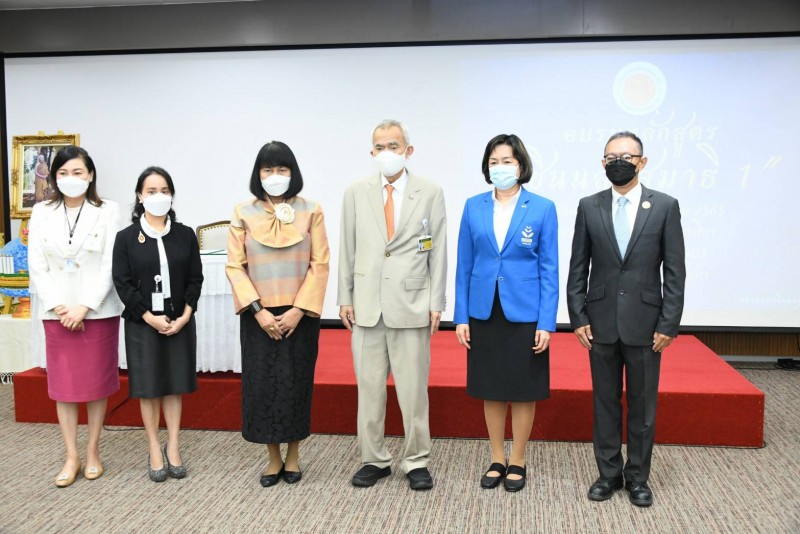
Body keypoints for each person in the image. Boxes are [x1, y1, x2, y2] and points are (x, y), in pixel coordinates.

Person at [566, 131, 686, 507]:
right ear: (603, 164)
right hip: (598, 322)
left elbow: (675, 271)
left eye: (626, 156)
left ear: (642, 162)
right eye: (610, 157)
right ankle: (608, 474)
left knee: (642, 405)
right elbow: (577, 267)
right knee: (604, 401)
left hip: (647, 325)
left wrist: (668, 323)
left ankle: (637, 477)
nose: (618, 162)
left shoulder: (664, 206)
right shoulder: (589, 206)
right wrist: (577, 314)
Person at [338, 119, 447, 490]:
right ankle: (374, 458)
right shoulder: (355, 192)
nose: (387, 153)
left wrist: (437, 301)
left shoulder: (430, 192)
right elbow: (347, 247)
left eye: (394, 146)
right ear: (372, 153)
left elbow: (438, 247)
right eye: (380, 147)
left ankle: (416, 460)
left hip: (412, 302)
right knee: (368, 390)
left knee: (413, 391)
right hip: (367, 304)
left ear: (408, 150)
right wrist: (344, 297)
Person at [453, 134, 558, 492]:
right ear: (487, 167)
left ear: (521, 165)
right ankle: (497, 456)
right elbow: (464, 264)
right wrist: (461, 316)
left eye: (508, 161)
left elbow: (550, 268)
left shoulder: (542, 207)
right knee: (492, 388)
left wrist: (546, 321)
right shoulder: (473, 206)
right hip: (484, 311)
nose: (501, 168)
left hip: (524, 311)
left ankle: (518, 458)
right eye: (494, 162)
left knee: (524, 389)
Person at [226, 141, 329, 487]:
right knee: (263, 386)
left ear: (293, 173)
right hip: (259, 317)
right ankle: (272, 457)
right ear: (258, 175)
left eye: (281, 169)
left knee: (296, 383)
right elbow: (235, 266)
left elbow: (320, 263)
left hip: (300, 315)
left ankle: (295, 455)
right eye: (267, 170)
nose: (274, 176)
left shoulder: (311, 209)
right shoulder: (243, 211)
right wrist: (258, 311)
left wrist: (299, 310)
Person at [27, 145, 123, 488]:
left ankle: (94, 451)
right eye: (63, 173)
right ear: (54, 177)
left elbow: (113, 263)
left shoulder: (108, 210)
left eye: (77, 172)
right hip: (57, 313)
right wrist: (58, 306)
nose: (71, 179)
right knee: (64, 389)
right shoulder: (41, 212)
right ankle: (71, 455)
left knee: (96, 386)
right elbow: (36, 264)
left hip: (97, 312)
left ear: (91, 174)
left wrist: (85, 305)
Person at [112, 166, 203, 483]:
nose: (158, 197)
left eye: (164, 191)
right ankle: (153, 446)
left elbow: (195, 279)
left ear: (172, 195)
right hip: (142, 323)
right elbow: (122, 284)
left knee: (174, 386)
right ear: (139, 196)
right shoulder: (126, 238)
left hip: (179, 319)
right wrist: (148, 316)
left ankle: (174, 445)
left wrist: (186, 315)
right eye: (151, 191)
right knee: (149, 388)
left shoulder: (185, 235)